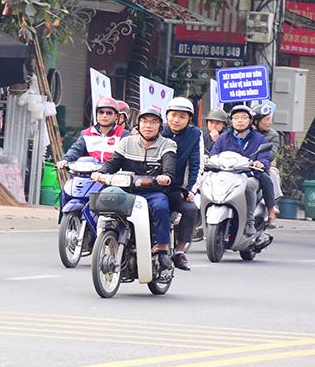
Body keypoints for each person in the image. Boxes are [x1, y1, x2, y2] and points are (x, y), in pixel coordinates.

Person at [94, 108, 179, 272]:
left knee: (161, 206)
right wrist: (101, 173)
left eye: (153, 122)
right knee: (103, 201)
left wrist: (166, 176)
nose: (148, 126)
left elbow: (169, 167)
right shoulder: (127, 142)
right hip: (126, 191)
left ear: (160, 127)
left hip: (153, 192)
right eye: (145, 121)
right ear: (138, 124)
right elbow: (113, 162)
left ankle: (162, 249)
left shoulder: (168, 144)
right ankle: (100, 239)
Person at [209, 104, 276, 231]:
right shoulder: (224, 137)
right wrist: (208, 159)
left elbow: (264, 157)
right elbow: (214, 153)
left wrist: (260, 163)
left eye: (244, 117)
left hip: (248, 175)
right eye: (236, 117)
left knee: (249, 184)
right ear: (231, 121)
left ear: (250, 120)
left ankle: (249, 222)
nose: (240, 120)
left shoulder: (259, 139)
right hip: (227, 174)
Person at [162, 97, 201, 270]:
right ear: (166, 116)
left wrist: (191, 190)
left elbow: (196, 165)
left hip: (175, 188)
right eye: (173, 115)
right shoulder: (156, 130)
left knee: (191, 209)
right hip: (148, 185)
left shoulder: (195, 135)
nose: (176, 120)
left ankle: (179, 251)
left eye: (182, 116)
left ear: (189, 119)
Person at [59, 96, 126, 165]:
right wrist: (66, 160)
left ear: (116, 116)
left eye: (109, 113)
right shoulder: (86, 133)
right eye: (101, 112)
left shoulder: (124, 135)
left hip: (112, 174)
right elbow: (76, 149)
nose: (104, 116)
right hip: (88, 173)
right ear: (96, 115)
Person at [253, 101, 282, 226]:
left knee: (271, 175)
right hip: (244, 164)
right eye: (266, 119)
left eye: (270, 119)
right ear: (256, 121)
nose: (269, 122)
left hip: (264, 165)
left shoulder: (272, 135)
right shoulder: (247, 132)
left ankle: (271, 210)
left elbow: (272, 153)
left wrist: (261, 161)